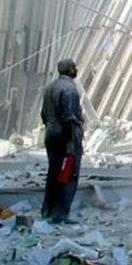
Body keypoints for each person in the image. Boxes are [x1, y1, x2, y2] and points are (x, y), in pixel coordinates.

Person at [40, 58, 84, 224]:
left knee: (53, 174)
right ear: (71, 70)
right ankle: (60, 214)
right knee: (68, 175)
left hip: (51, 135)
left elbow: (44, 114)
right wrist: (71, 142)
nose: (76, 69)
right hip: (66, 138)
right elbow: (69, 118)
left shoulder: (50, 87)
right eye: (75, 67)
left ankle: (47, 211)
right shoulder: (69, 90)